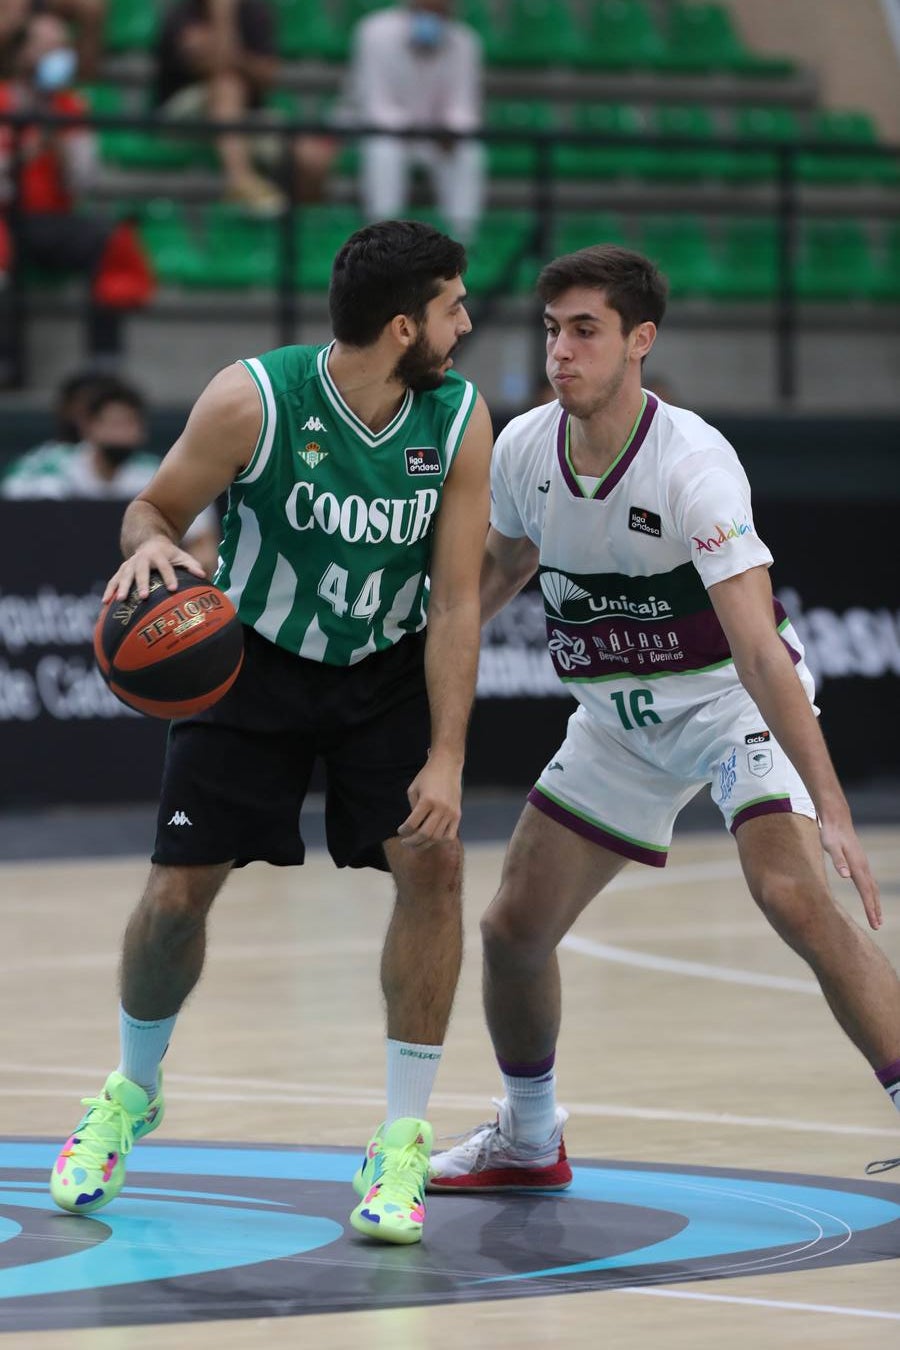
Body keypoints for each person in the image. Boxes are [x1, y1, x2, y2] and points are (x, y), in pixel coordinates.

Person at [49, 219, 493, 1243]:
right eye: (451, 307)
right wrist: (148, 555)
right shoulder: (252, 397)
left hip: (385, 670)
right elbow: (151, 509)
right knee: (174, 898)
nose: (464, 323)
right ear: (400, 327)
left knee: (434, 867)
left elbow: (459, 602)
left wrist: (450, 755)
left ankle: (400, 1141)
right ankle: (131, 1091)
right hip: (255, 664)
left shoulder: (458, 419)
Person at [428, 243, 900, 1193]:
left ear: (640, 340)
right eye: (553, 330)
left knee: (793, 895)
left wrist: (832, 808)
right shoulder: (524, 448)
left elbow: (762, 652)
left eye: (586, 331)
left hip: (731, 706)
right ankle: (529, 1137)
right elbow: (509, 566)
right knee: (513, 929)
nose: (563, 351)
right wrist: (432, 639)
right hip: (616, 723)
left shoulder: (694, 466)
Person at [0, 12, 154, 379]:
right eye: (47, 45)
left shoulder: (71, 107)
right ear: (23, 53)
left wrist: (61, 144)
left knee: (107, 238)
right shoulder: (3, 102)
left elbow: (85, 182)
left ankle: (104, 359)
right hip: (6, 217)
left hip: (54, 219)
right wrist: (21, 155)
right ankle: (8, 364)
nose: (58, 54)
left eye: (61, 45)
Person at [0, 375, 220, 575]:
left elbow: (203, 545)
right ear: (87, 426)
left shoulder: (157, 474)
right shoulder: (45, 468)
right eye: (113, 423)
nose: (120, 434)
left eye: (129, 424)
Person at [152, 0, 330, 213]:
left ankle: (304, 236)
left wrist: (223, 48)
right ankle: (239, 178)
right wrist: (224, 16)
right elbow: (215, 67)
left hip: (245, 116)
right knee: (228, 84)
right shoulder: (182, 13)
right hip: (183, 119)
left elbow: (268, 76)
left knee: (311, 158)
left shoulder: (255, 11)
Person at [340, 0, 485, 242]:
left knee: (468, 152)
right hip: (383, 133)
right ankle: (382, 240)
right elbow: (377, 105)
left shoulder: (465, 40)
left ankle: (463, 240)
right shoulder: (374, 32)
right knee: (384, 151)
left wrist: (451, 129)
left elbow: (463, 105)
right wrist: (414, 129)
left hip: (434, 138)